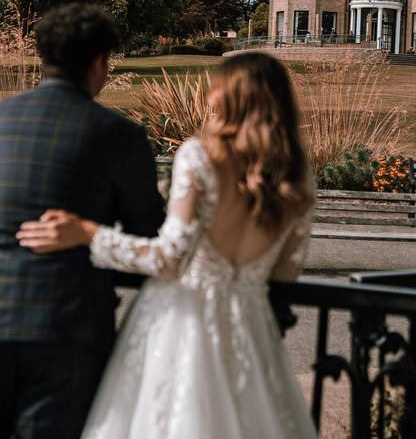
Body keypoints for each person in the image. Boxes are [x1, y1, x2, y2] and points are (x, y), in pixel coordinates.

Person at [17, 52, 319, 438]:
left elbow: (169, 258)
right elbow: (286, 272)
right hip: (252, 326)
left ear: (229, 97)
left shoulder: (200, 157)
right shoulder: (298, 178)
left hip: (183, 325)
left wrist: (89, 233)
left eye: (216, 88)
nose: (209, 97)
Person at [0, 3, 164, 439]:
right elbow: (147, 233)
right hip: (68, 327)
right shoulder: (119, 134)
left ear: (45, 55)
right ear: (100, 61)